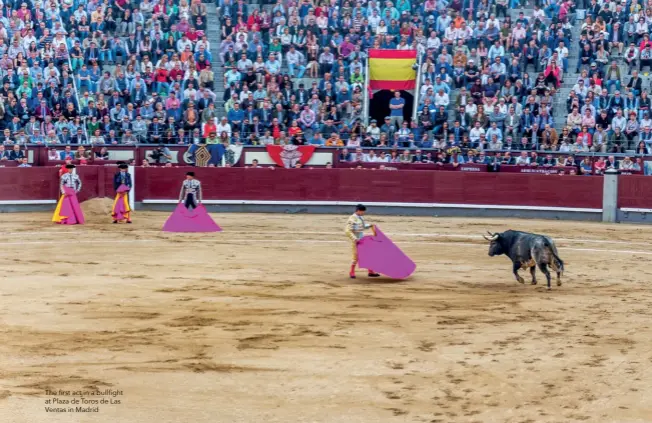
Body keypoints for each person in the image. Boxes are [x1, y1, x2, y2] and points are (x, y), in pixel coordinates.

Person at [344, 204, 380, 279]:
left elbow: (362, 226)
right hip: (356, 241)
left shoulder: (360, 217)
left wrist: (369, 225)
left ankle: (370, 271)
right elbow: (347, 231)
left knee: (368, 255)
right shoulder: (352, 219)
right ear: (358, 211)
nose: (363, 213)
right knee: (356, 257)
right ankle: (352, 272)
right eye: (363, 211)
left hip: (362, 239)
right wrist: (354, 239)